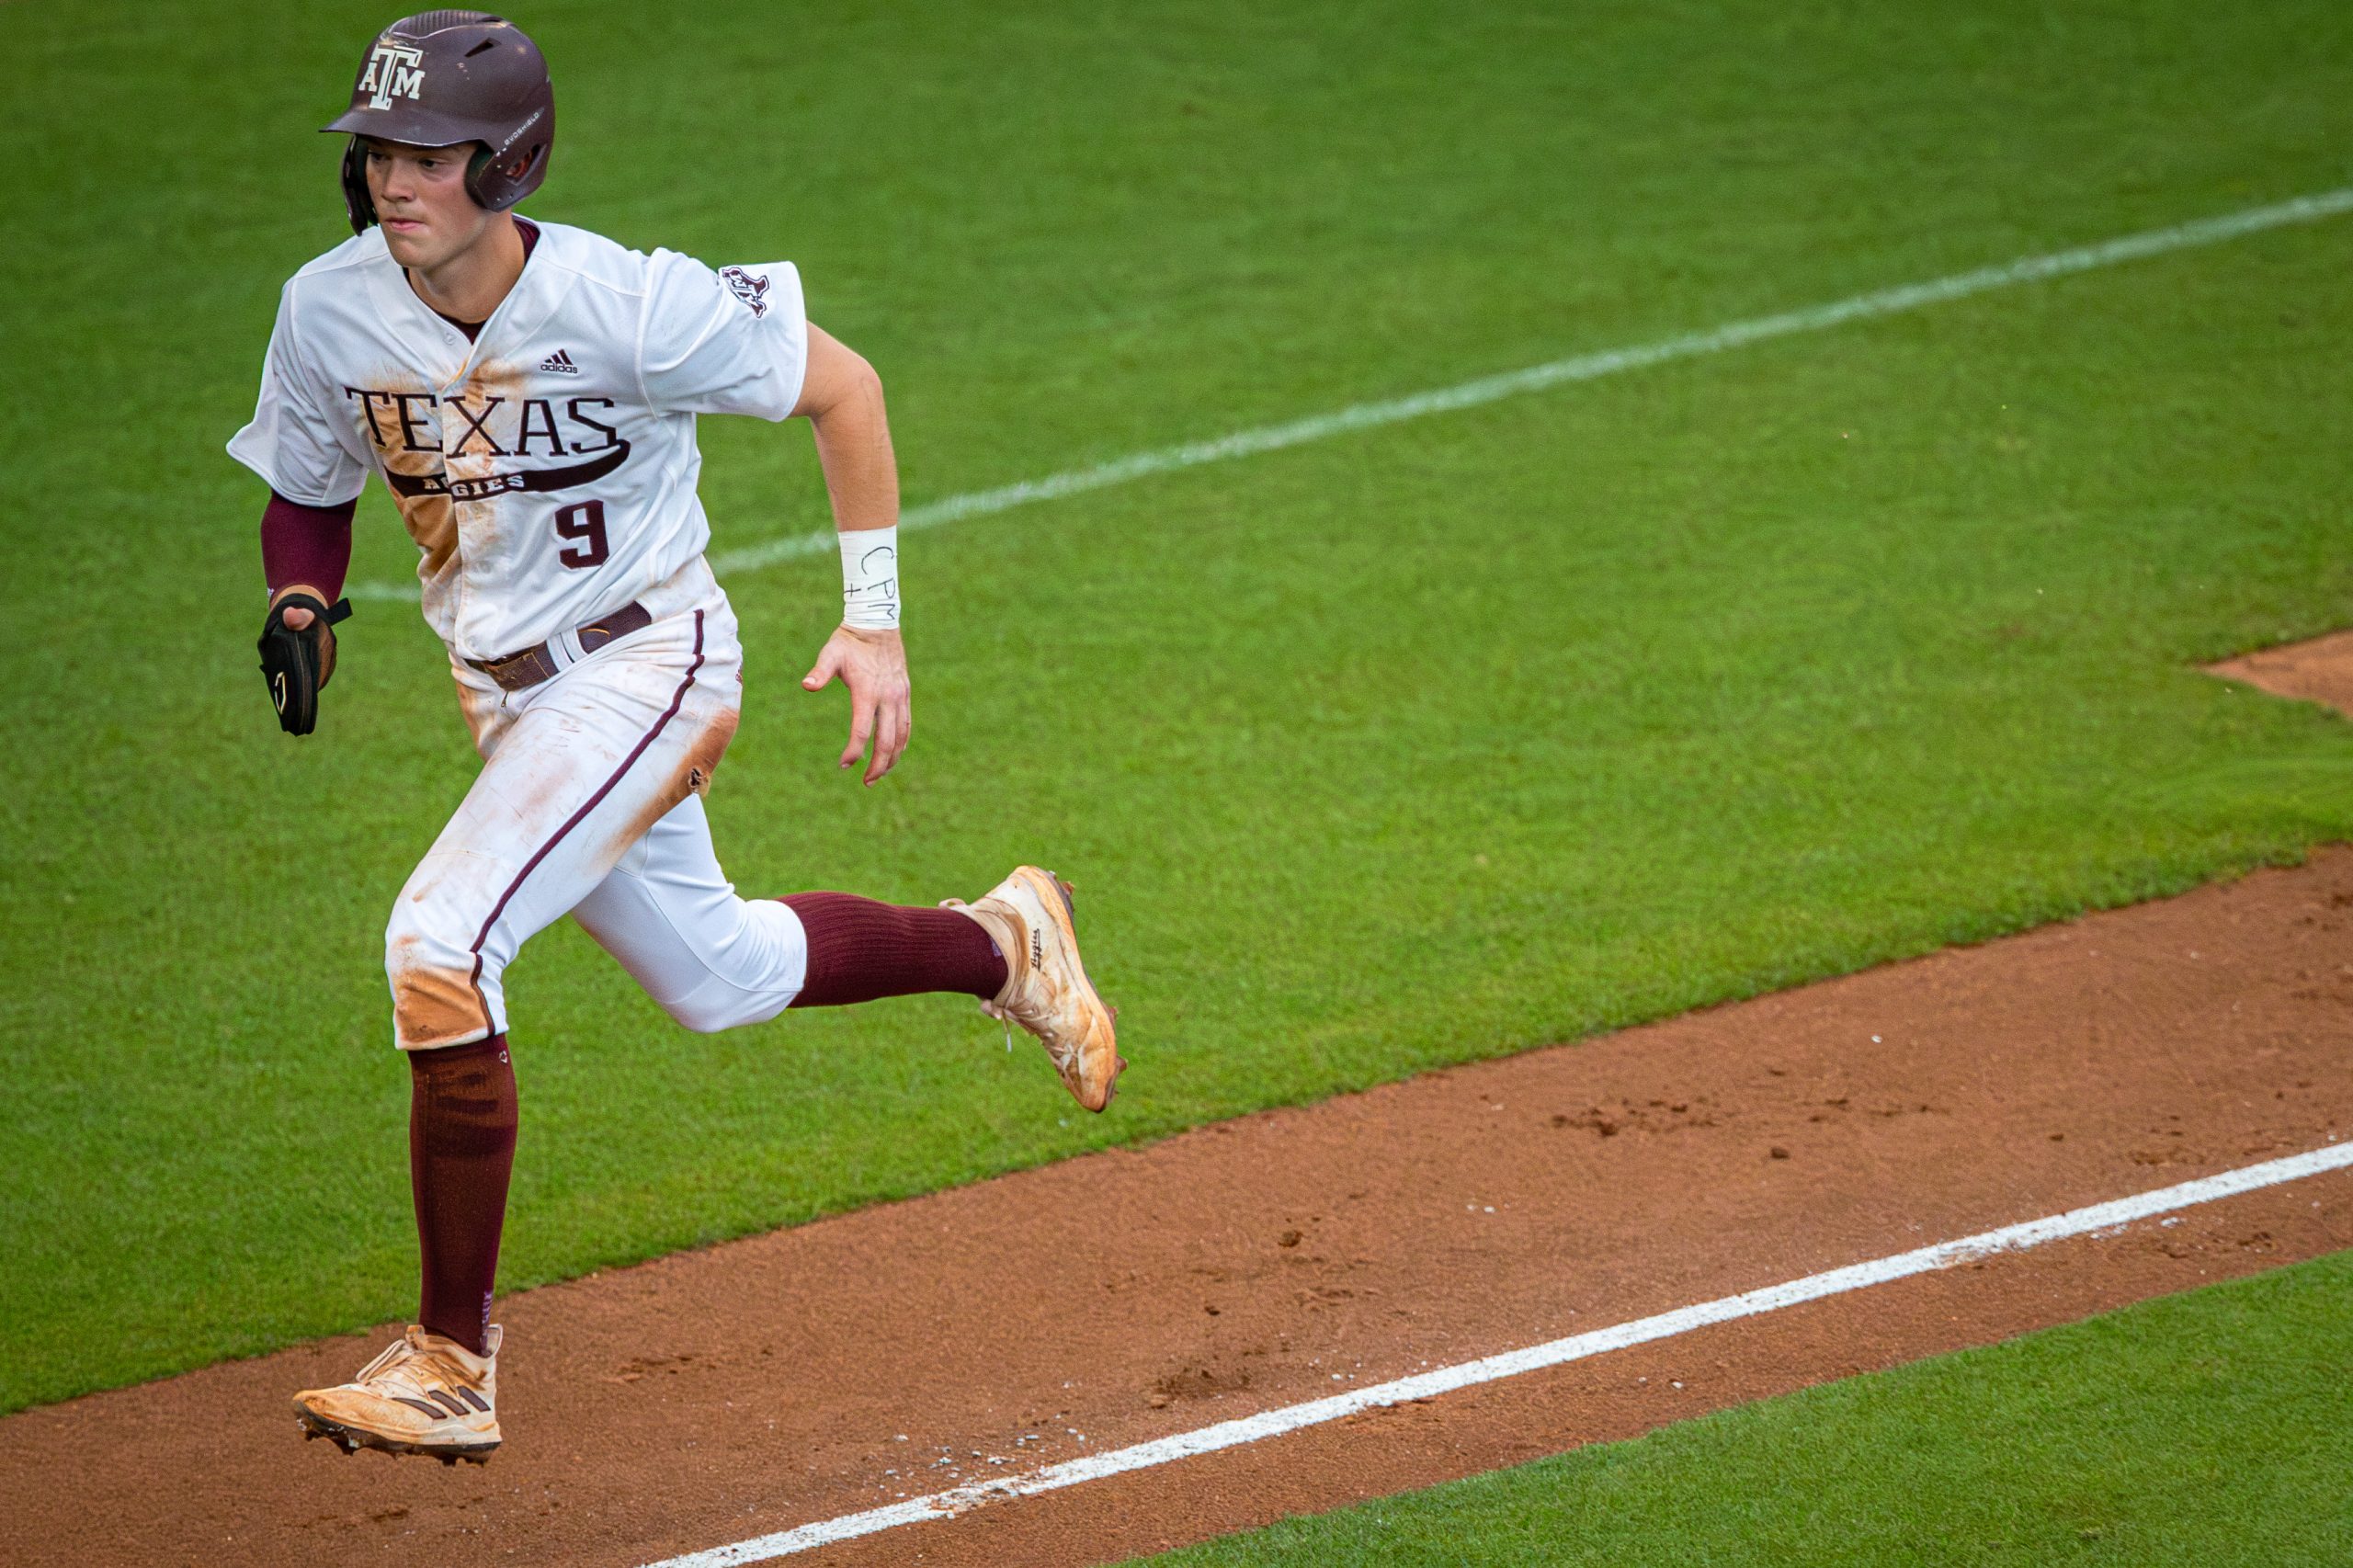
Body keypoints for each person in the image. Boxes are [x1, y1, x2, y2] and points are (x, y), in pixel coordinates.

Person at [230, 10, 1123, 1466]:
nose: (394, 180)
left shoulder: (629, 301)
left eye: (429, 155)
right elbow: (311, 475)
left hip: (654, 662)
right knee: (721, 976)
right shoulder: (327, 308)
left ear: (504, 161)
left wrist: (875, 620)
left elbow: (848, 390)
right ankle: (1007, 944)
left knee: (439, 942)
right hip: (509, 699)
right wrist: (301, 596)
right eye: (378, 151)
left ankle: (454, 1358)